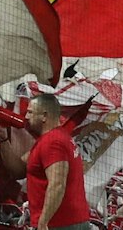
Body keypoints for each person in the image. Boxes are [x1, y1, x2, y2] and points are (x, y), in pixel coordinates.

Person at [24, 94, 91, 230]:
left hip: (59, 224)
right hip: (69, 221)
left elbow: (57, 184)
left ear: (44, 116)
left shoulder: (52, 142)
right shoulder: (60, 137)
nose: (26, 117)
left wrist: (43, 222)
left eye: (30, 112)